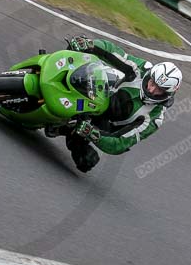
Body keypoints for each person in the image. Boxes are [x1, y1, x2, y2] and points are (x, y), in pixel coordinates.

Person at [48, 35, 182, 172]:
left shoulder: (154, 118)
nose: (151, 89)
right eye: (152, 82)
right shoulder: (142, 68)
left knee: (87, 161)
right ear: (150, 75)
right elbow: (113, 52)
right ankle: (50, 69)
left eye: (159, 90)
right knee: (85, 60)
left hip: (104, 125)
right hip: (104, 92)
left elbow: (120, 143)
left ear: (167, 94)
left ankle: (63, 129)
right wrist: (90, 44)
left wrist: (94, 134)